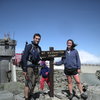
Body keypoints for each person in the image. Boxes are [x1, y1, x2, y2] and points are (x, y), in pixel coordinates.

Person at [22, 33, 41, 100]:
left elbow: (39, 58)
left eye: (39, 39)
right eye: (36, 38)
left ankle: (30, 95)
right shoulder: (29, 46)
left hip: (36, 67)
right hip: (29, 67)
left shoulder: (39, 48)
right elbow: (24, 57)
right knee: (28, 82)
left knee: (35, 82)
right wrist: (24, 69)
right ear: (33, 38)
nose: (37, 40)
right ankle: (26, 97)